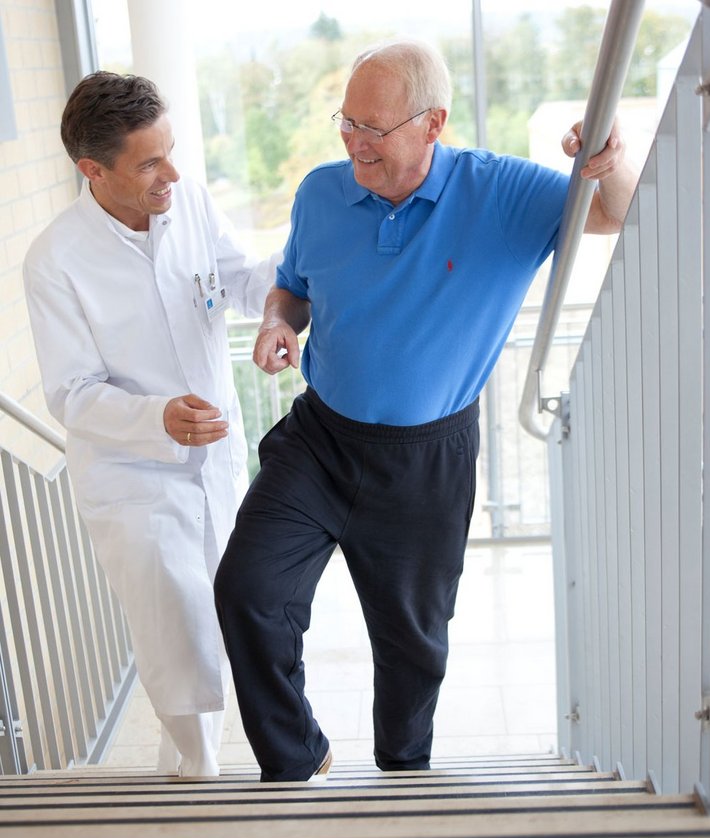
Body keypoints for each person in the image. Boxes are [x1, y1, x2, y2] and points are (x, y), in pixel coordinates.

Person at [214, 40, 638, 782]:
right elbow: (291, 286)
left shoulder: (500, 193)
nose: (353, 141)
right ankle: (295, 758)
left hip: (425, 461)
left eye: (372, 128)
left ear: (433, 123)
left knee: (411, 646)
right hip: (320, 438)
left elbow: (615, 214)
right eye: (346, 121)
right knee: (247, 588)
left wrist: (609, 160)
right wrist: (279, 321)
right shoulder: (320, 192)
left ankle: (403, 778)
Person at [23, 71, 278, 777]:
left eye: (172, 151)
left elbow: (242, 278)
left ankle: (206, 766)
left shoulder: (187, 199)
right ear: (93, 170)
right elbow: (72, 392)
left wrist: (288, 297)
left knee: (236, 613)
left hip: (215, 465)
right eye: (149, 162)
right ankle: (197, 779)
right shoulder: (54, 259)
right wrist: (157, 417)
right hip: (133, 478)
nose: (172, 173)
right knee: (175, 636)